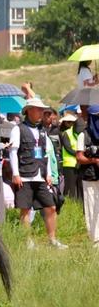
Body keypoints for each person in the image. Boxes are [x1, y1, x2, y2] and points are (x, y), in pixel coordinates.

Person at [9, 98, 67, 249]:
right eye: (38, 109)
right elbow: (13, 152)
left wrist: (48, 173)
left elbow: (46, 154)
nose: (42, 112)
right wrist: (15, 174)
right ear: (28, 110)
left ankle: (52, 240)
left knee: (51, 207)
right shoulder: (18, 129)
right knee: (25, 210)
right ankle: (27, 241)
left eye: (42, 110)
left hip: (41, 176)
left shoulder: (42, 130)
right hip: (24, 175)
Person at [75, 105, 99, 248]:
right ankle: (95, 239)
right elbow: (79, 157)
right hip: (89, 176)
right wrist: (94, 160)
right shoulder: (83, 135)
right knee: (91, 206)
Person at [60, 114, 83, 200]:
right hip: (69, 164)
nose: (70, 124)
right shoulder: (66, 133)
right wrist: (79, 155)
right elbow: (68, 148)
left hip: (79, 163)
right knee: (70, 188)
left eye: (72, 122)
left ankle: (78, 204)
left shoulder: (79, 133)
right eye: (68, 122)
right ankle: (69, 204)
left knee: (79, 187)